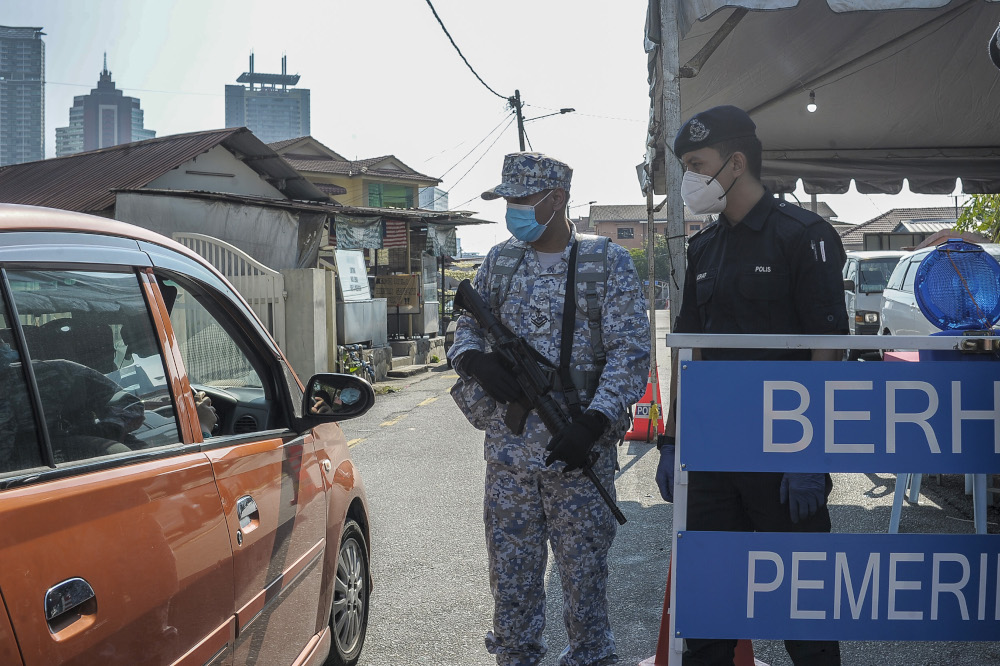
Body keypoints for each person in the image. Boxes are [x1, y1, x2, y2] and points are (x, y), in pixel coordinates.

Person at [657, 105, 847, 666]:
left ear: (736, 163)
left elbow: (827, 348)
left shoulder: (803, 236)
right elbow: (686, 348)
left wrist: (812, 449)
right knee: (710, 614)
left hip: (783, 455)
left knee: (804, 613)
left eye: (698, 165)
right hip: (713, 455)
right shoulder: (704, 247)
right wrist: (672, 441)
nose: (690, 179)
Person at [448, 152, 650, 666]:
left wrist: (596, 419)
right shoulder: (501, 260)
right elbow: (466, 323)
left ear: (557, 199)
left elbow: (631, 351)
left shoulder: (607, 263)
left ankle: (589, 658)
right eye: (508, 200)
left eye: (521, 200)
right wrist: (472, 359)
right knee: (511, 584)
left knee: (583, 587)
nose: (512, 210)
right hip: (510, 458)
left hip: (577, 456)